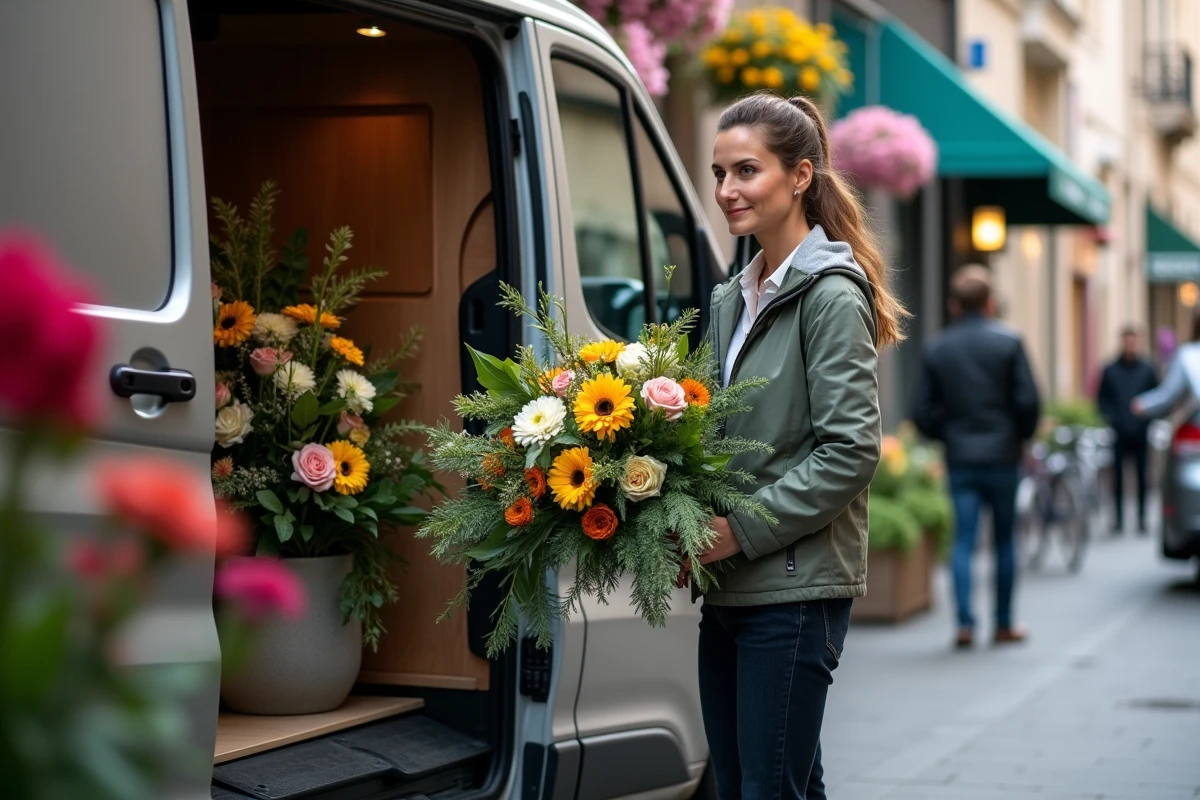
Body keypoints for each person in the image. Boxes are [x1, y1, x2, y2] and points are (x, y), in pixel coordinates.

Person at [681, 93, 907, 800]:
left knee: (766, 791)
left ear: (801, 176)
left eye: (746, 171)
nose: (726, 191)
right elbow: (715, 437)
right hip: (732, 583)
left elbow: (849, 452)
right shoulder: (733, 297)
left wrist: (735, 531)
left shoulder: (830, 294)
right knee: (770, 786)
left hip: (793, 587)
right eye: (719, 173)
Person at [912, 265, 1040, 650]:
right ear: (990, 303)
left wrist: (945, 435)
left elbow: (921, 410)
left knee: (964, 541)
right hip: (1003, 456)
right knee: (1004, 540)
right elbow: (1029, 401)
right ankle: (1002, 624)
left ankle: (965, 624)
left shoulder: (938, 347)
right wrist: (1021, 436)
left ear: (954, 305)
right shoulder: (1010, 342)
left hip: (961, 457)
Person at [1096, 326, 1159, 535]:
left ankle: (1141, 518)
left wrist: (1147, 419)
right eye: (1127, 340)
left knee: (1142, 477)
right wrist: (1112, 418)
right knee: (1118, 479)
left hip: (1140, 432)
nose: (1130, 344)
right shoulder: (1110, 370)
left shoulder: (1147, 369)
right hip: (1119, 432)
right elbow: (1102, 399)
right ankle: (1119, 519)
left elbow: (1156, 397)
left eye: (1134, 340)